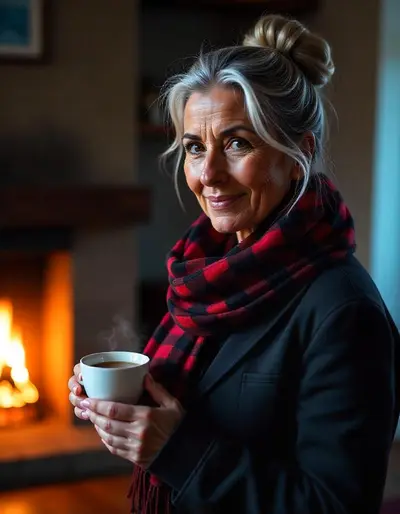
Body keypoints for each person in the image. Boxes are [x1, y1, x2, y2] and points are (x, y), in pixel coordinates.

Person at [68, 14, 400, 514]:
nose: (208, 174)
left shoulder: (343, 312)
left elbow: (335, 505)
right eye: (195, 148)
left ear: (299, 154)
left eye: (238, 143)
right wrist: (129, 408)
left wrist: (173, 451)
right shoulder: (211, 273)